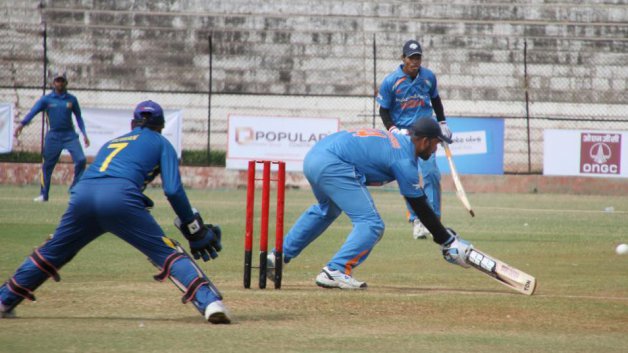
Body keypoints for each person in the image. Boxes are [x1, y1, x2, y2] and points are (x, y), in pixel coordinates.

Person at [0, 100, 231, 324]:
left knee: (52, 251)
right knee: (165, 252)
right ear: (161, 126)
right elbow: (173, 190)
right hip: (120, 199)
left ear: (133, 124)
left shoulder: (112, 142)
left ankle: (4, 300)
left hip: (83, 196)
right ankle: (211, 304)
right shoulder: (162, 143)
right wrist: (193, 229)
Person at [268, 118, 473, 289]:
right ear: (425, 141)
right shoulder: (404, 159)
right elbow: (419, 205)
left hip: (314, 156)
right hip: (333, 162)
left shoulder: (401, 143)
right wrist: (446, 240)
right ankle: (336, 270)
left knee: (327, 209)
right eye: (436, 143)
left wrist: (443, 236)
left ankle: (277, 257)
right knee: (371, 224)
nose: (436, 149)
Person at [376, 40, 453, 239]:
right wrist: (393, 129)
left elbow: (436, 100)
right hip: (404, 137)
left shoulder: (428, 77)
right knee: (409, 177)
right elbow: (383, 110)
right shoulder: (391, 81)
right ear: (403, 58)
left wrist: (443, 123)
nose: (415, 62)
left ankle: (433, 221)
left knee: (431, 175)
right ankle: (417, 221)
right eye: (411, 58)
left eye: (418, 57)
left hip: (426, 133)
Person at [13, 71, 90, 202]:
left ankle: (75, 187)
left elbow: (79, 118)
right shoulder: (46, 99)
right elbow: (33, 112)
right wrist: (21, 125)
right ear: (53, 83)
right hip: (53, 135)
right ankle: (44, 195)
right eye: (57, 81)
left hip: (69, 135)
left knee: (81, 160)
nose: (59, 83)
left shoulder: (72, 99)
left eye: (62, 81)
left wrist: (84, 134)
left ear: (66, 83)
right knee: (47, 165)